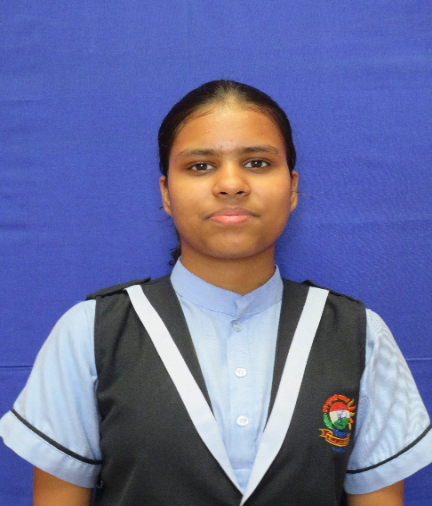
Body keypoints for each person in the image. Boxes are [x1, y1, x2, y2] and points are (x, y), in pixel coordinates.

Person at [1, 80, 431, 506]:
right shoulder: (91, 333)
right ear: (166, 193)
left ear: (292, 187)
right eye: (200, 166)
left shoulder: (359, 336)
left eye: (257, 163)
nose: (231, 184)